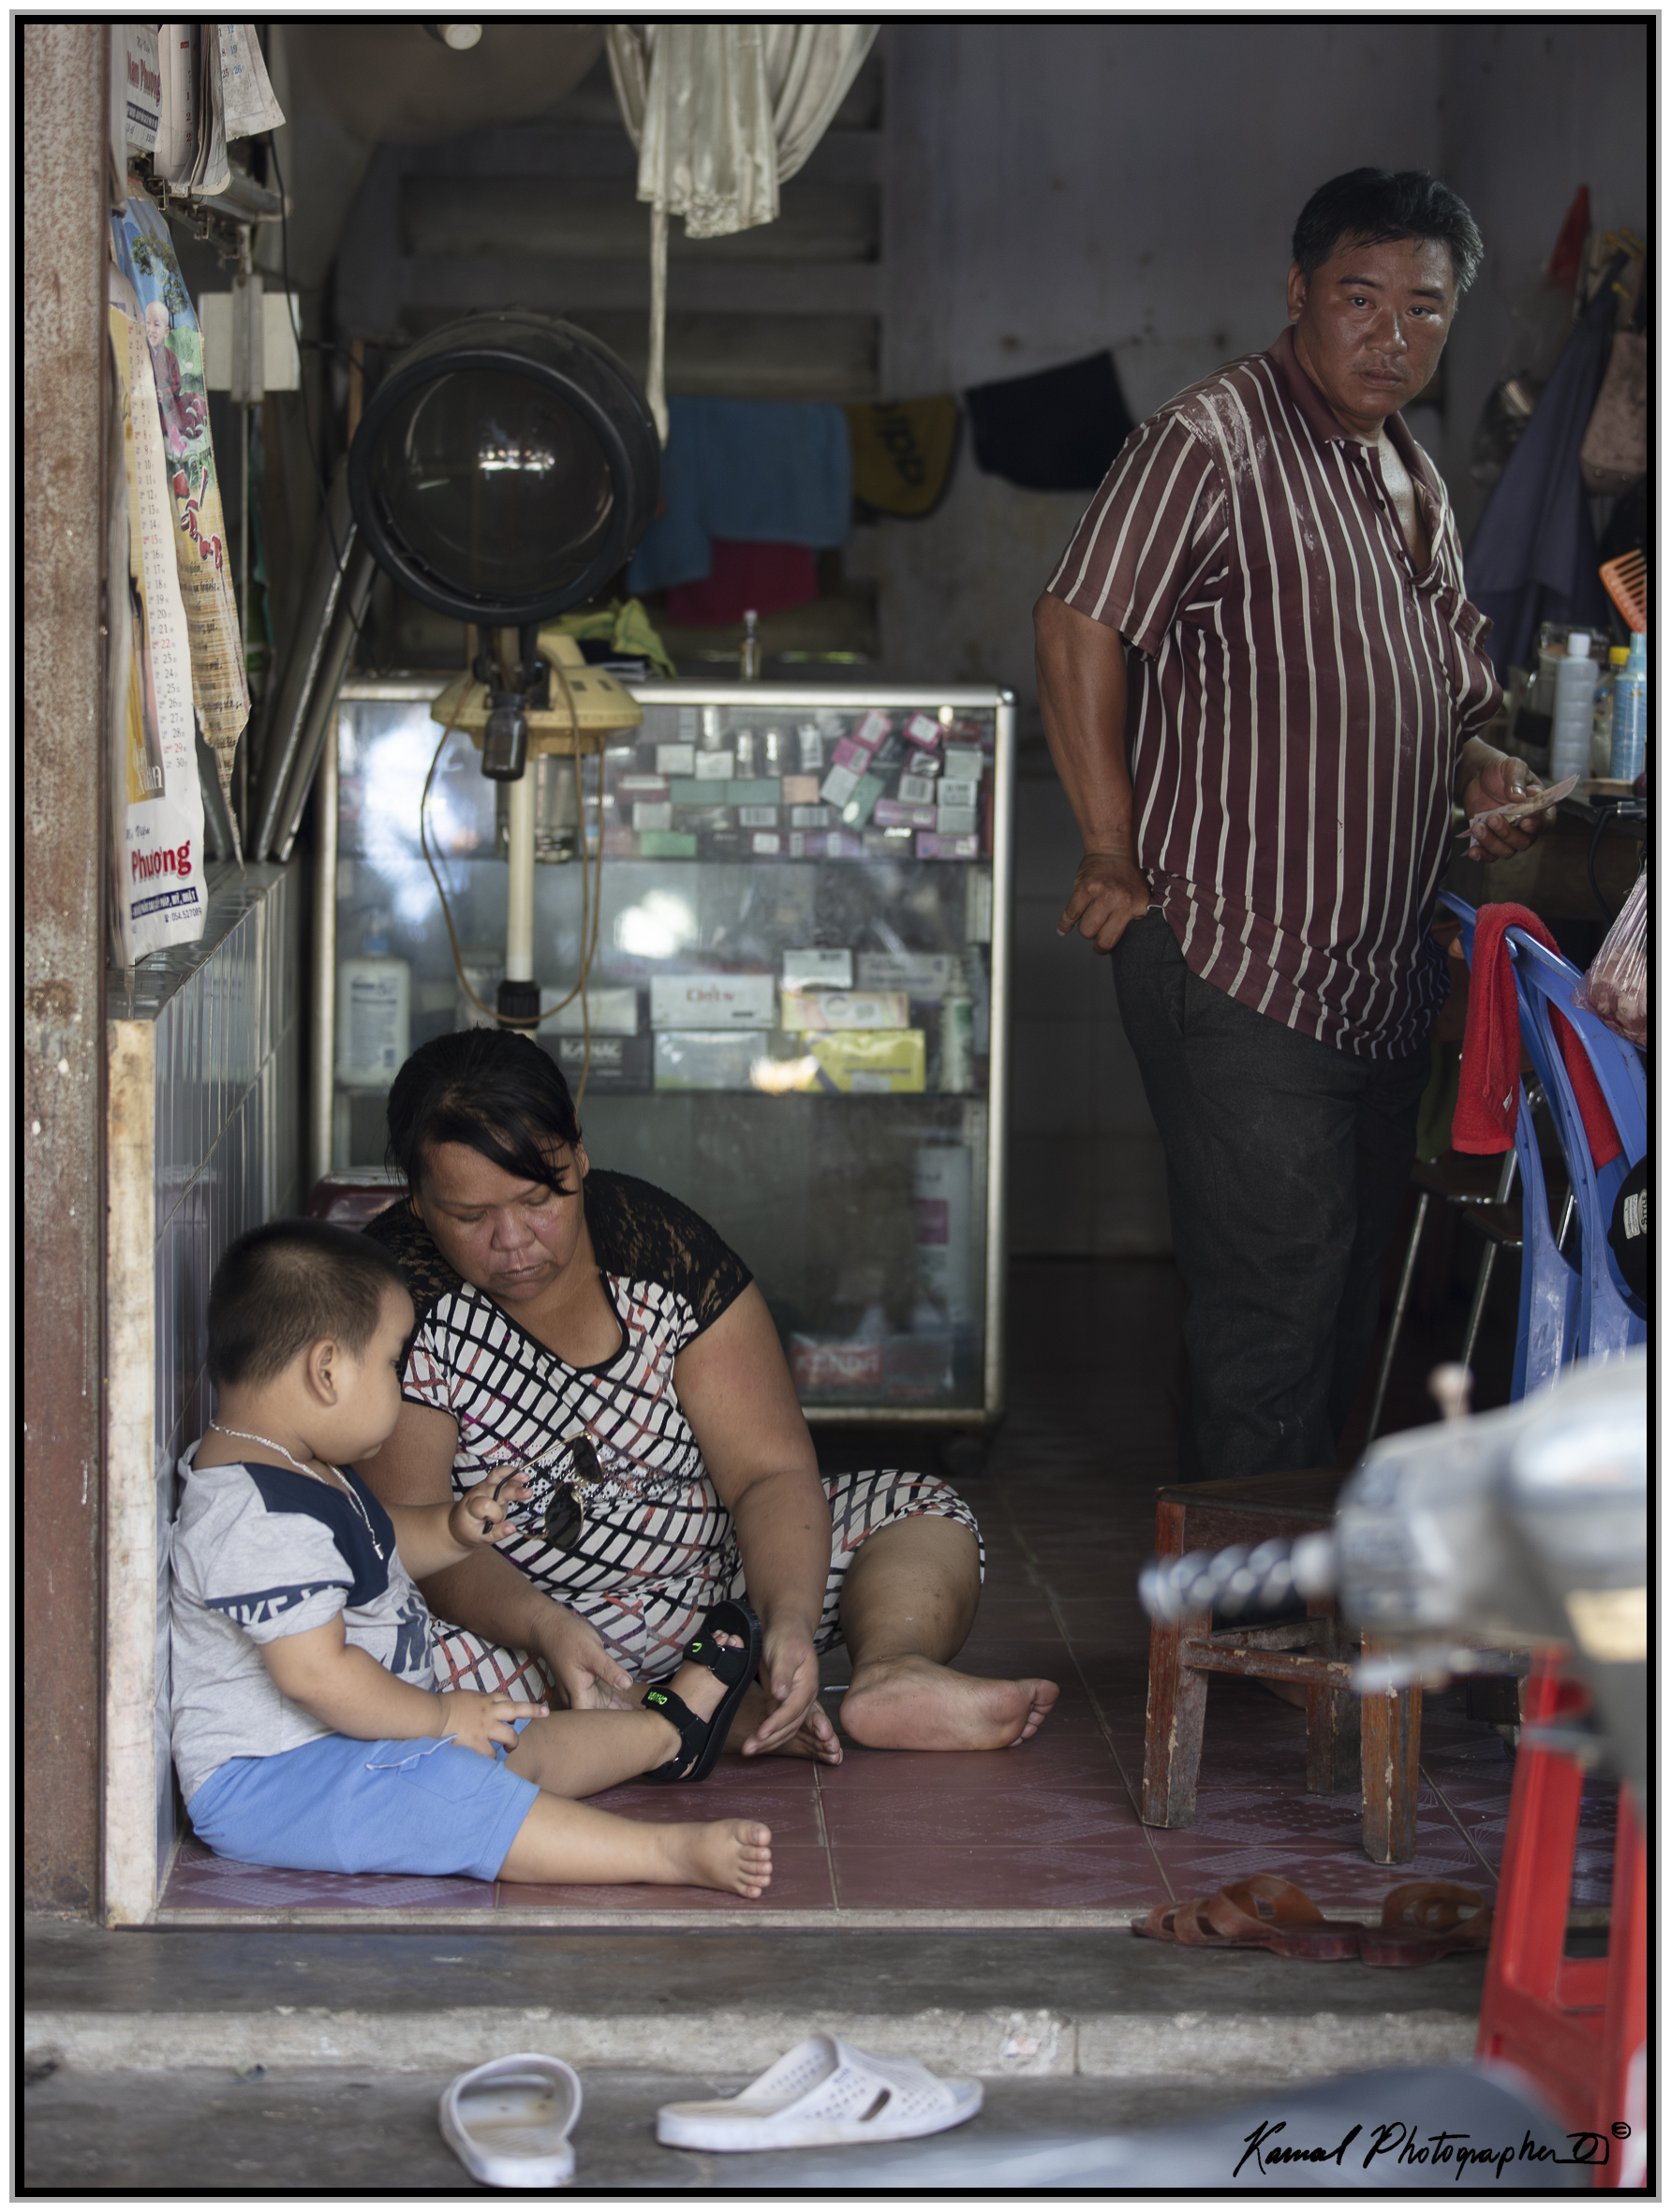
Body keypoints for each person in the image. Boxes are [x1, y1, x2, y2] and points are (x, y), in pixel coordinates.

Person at [1034, 168, 1552, 1483]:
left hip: (1371, 983)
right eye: (1359, 299)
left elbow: (1447, 694)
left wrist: (1478, 765)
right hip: (1236, 957)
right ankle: (1252, 1640)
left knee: (1334, 1303)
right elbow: (1079, 618)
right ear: (1298, 294)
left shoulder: (1408, 474)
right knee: (1272, 1307)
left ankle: (1269, 1590)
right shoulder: (1212, 442)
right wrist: (1109, 847)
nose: (1391, 335)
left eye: (1424, 310)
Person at [358, 1028, 1058, 1759]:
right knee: (378, 1650)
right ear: (416, 1201)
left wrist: (783, 1620)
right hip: (530, 1635)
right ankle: (676, 1714)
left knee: (921, 1510)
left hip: (711, 1601)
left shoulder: (661, 1250)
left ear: (580, 1155)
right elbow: (425, 1543)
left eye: (538, 1198)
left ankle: (888, 1670)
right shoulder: (393, 1302)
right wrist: (543, 1624)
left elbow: (768, 1471)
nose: (513, 1240)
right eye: (470, 1216)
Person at [173, 1219, 775, 1896]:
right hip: (276, 1780)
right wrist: (439, 1719)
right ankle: (665, 1853)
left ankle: (669, 1734)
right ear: (327, 1370)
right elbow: (317, 1677)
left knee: (514, 1734)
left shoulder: (291, 1465)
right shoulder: (256, 1515)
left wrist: (452, 1529)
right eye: (392, 1361)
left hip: (350, 1748)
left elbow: (376, 1543)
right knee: (456, 1782)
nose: (399, 1385)